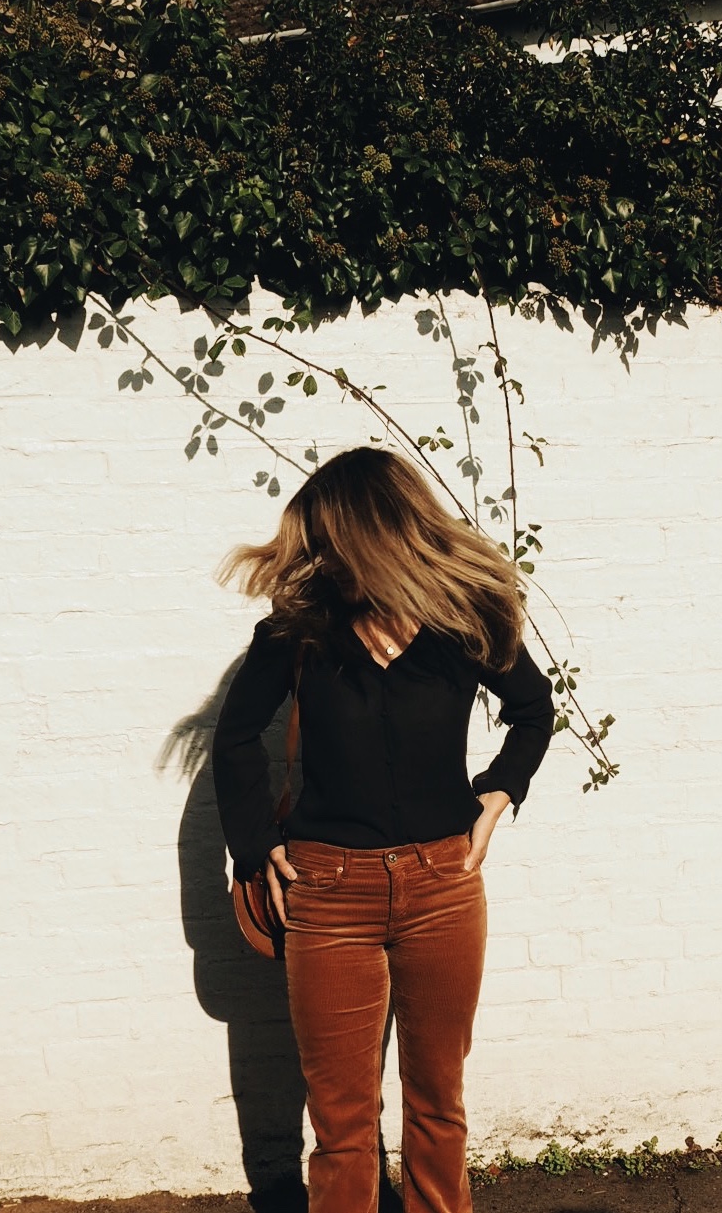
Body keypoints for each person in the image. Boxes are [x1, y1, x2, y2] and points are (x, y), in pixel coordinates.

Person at [211, 445, 555, 1213]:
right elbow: (232, 738)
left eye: (326, 537)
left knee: (437, 1102)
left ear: (365, 530)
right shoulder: (299, 628)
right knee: (341, 1121)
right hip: (328, 893)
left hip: (443, 886)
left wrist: (498, 793)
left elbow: (533, 709)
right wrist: (254, 846)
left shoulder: (464, 617)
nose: (316, 555)